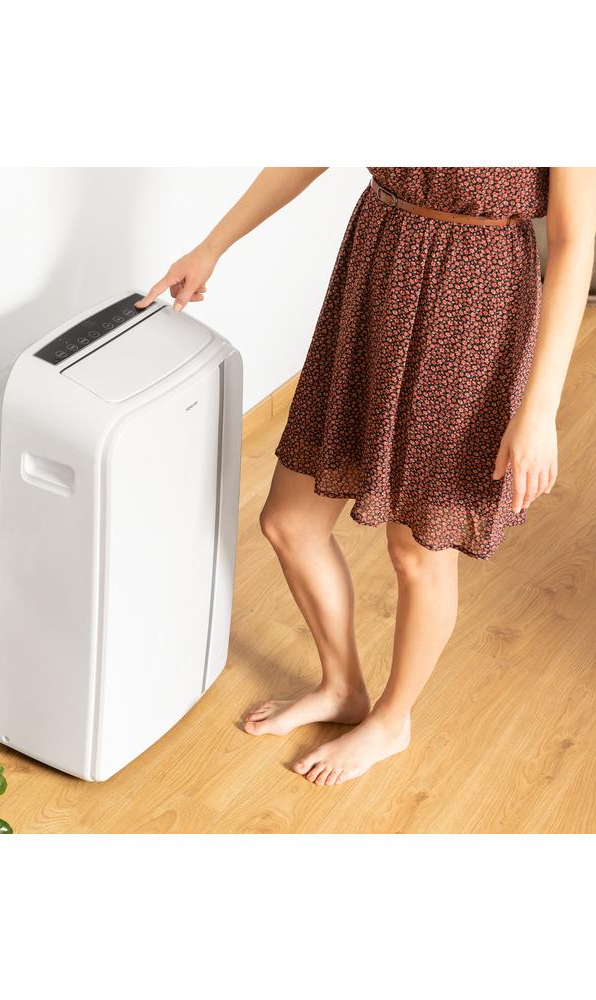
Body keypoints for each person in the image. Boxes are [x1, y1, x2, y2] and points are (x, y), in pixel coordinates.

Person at [136, 167, 596, 785]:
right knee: (290, 522)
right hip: (376, 272)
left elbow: (572, 241)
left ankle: (392, 720)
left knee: (418, 549)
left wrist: (538, 411)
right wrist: (211, 247)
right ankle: (341, 688)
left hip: (476, 307)